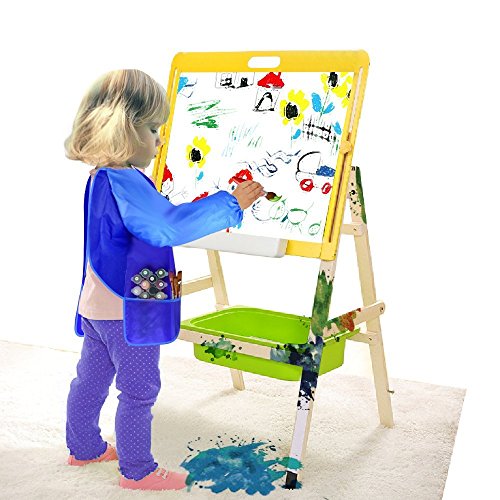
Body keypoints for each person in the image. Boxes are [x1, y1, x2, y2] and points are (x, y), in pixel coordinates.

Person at [64, 69, 264, 491]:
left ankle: (84, 448)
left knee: (90, 381)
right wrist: (230, 204)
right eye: (153, 129)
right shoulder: (126, 179)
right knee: (139, 392)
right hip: (129, 311)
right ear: (125, 127)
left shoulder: (101, 174)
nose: (159, 140)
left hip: (98, 304)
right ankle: (138, 471)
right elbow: (166, 227)